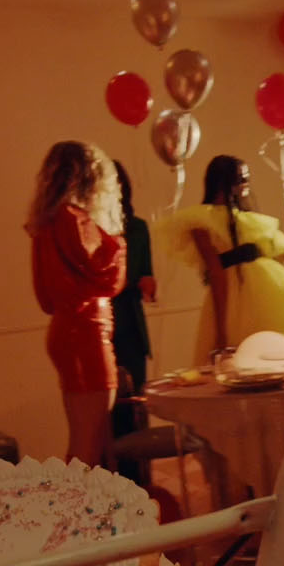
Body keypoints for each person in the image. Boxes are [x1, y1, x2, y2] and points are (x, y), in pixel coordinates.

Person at [157, 153, 284, 366]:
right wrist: (221, 331)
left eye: (246, 179)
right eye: (241, 179)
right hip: (236, 296)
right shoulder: (202, 220)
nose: (246, 184)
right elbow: (216, 273)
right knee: (243, 357)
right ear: (224, 182)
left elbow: (276, 256)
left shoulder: (247, 220)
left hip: (264, 293)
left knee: (272, 355)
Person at [28, 140, 129, 464]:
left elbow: (45, 298)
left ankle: (74, 498)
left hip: (65, 329)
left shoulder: (46, 223)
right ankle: (74, 499)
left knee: (80, 440)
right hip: (87, 331)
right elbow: (108, 277)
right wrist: (118, 244)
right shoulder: (74, 219)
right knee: (89, 444)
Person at [108, 168, 161, 464]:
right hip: (105, 324)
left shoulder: (138, 228)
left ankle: (142, 476)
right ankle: (114, 474)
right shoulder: (93, 228)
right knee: (110, 410)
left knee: (137, 404)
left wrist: (148, 285)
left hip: (131, 321)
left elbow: (146, 275)